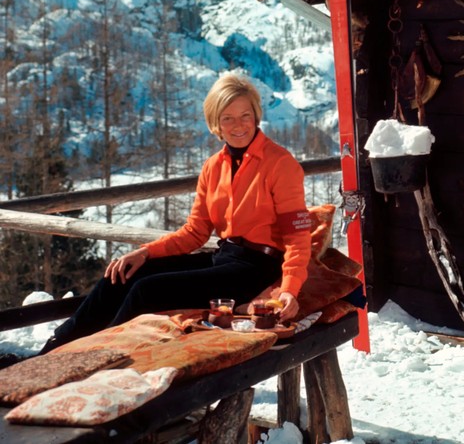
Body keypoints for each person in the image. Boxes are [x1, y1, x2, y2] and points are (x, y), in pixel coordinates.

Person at [41, 73, 312, 352]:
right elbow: (194, 233)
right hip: (224, 259)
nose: (238, 125)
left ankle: (96, 355)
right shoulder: (213, 167)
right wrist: (145, 253)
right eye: (227, 117)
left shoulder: (281, 164)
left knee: (149, 290)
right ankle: (52, 349)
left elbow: (298, 237)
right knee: (124, 274)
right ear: (215, 122)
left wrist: (289, 289)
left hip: (256, 269)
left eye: (245, 115)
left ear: (256, 116)